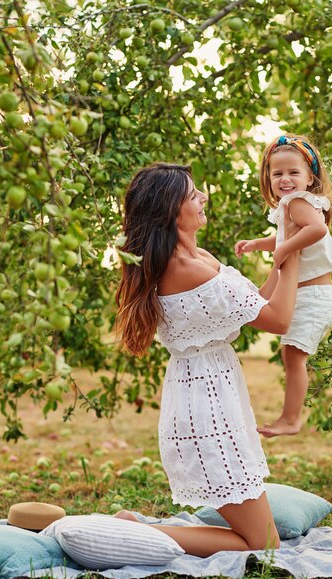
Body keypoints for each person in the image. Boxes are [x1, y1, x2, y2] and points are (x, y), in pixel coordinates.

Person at [115, 162, 300, 557]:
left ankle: (144, 528)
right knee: (264, 545)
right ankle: (141, 530)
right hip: (205, 407)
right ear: (170, 210)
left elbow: (257, 305)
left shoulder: (198, 256)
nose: (204, 198)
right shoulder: (186, 269)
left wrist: (283, 254)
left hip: (213, 395)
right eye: (193, 194)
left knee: (261, 538)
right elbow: (279, 319)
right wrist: (295, 253)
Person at [235, 134, 332, 437]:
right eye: (277, 173)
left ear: (310, 177)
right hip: (307, 294)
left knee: (293, 356)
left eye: (293, 172)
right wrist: (260, 244)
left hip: (314, 296)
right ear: (268, 178)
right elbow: (286, 237)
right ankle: (289, 417)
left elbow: (316, 229)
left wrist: (283, 250)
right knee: (290, 353)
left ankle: (291, 419)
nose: (285, 179)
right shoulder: (290, 205)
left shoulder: (299, 202)